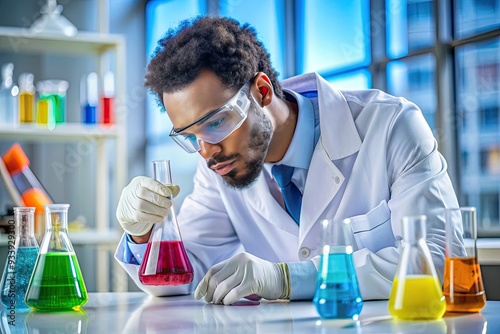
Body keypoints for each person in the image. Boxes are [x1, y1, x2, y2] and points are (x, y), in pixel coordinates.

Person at [115, 16, 461, 305]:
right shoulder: (220, 168)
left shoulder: (390, 126)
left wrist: (288, 278)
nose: (206, 152)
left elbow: (439, 263)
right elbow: (182, 277)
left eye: (215, 123)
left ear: (262, 91)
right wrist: (142, 235)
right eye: (191, 136)